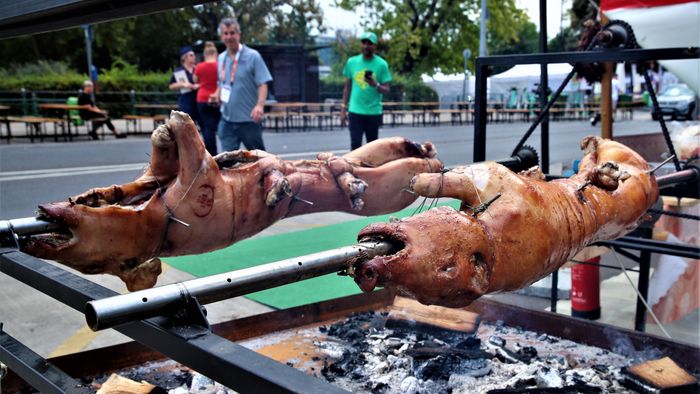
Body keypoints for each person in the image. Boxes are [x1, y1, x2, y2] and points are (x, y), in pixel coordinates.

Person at [214, 18, 272, 151]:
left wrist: (260, 105)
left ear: (239, 34)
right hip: (227, 120)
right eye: (226, 33)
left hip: (249, 120)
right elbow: (221, 83)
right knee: (226, 162)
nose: (229, 37)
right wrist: (217, 95)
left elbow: (263, 83)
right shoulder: (221, 58)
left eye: (232, 33)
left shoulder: (253, 56)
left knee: (259, 160)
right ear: (221, 36)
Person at [340, 31, 392, 150]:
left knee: (372, 148)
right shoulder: (351, 62)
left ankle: (370, 169)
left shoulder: (382, 64)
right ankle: (354, 169)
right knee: (355, 145)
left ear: (375, 46)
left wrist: (375, 84)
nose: (366, 46)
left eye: (369, 43)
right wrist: (343, 108)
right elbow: (347, 87)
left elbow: (386, 89)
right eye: (363, 42)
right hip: (355, 111)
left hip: (373, 112)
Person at [194, 41, 221, 155]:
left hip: (202, 98)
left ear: (205, 55)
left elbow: (195, 80)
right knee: (216, 126)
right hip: (217, 99)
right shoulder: (219, 66)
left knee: (206, 127)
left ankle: (210, 153)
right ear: (216, 54)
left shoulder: (199, 66)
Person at [169, 46, 200, 126]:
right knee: (186, 125)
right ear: (185, 57)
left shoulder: (197, 69)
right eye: (191, 55)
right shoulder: (179, 71)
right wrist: (183, 84)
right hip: (185, 100)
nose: (194, 57)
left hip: (198, 100)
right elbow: (171, 86)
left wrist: (198, 85)